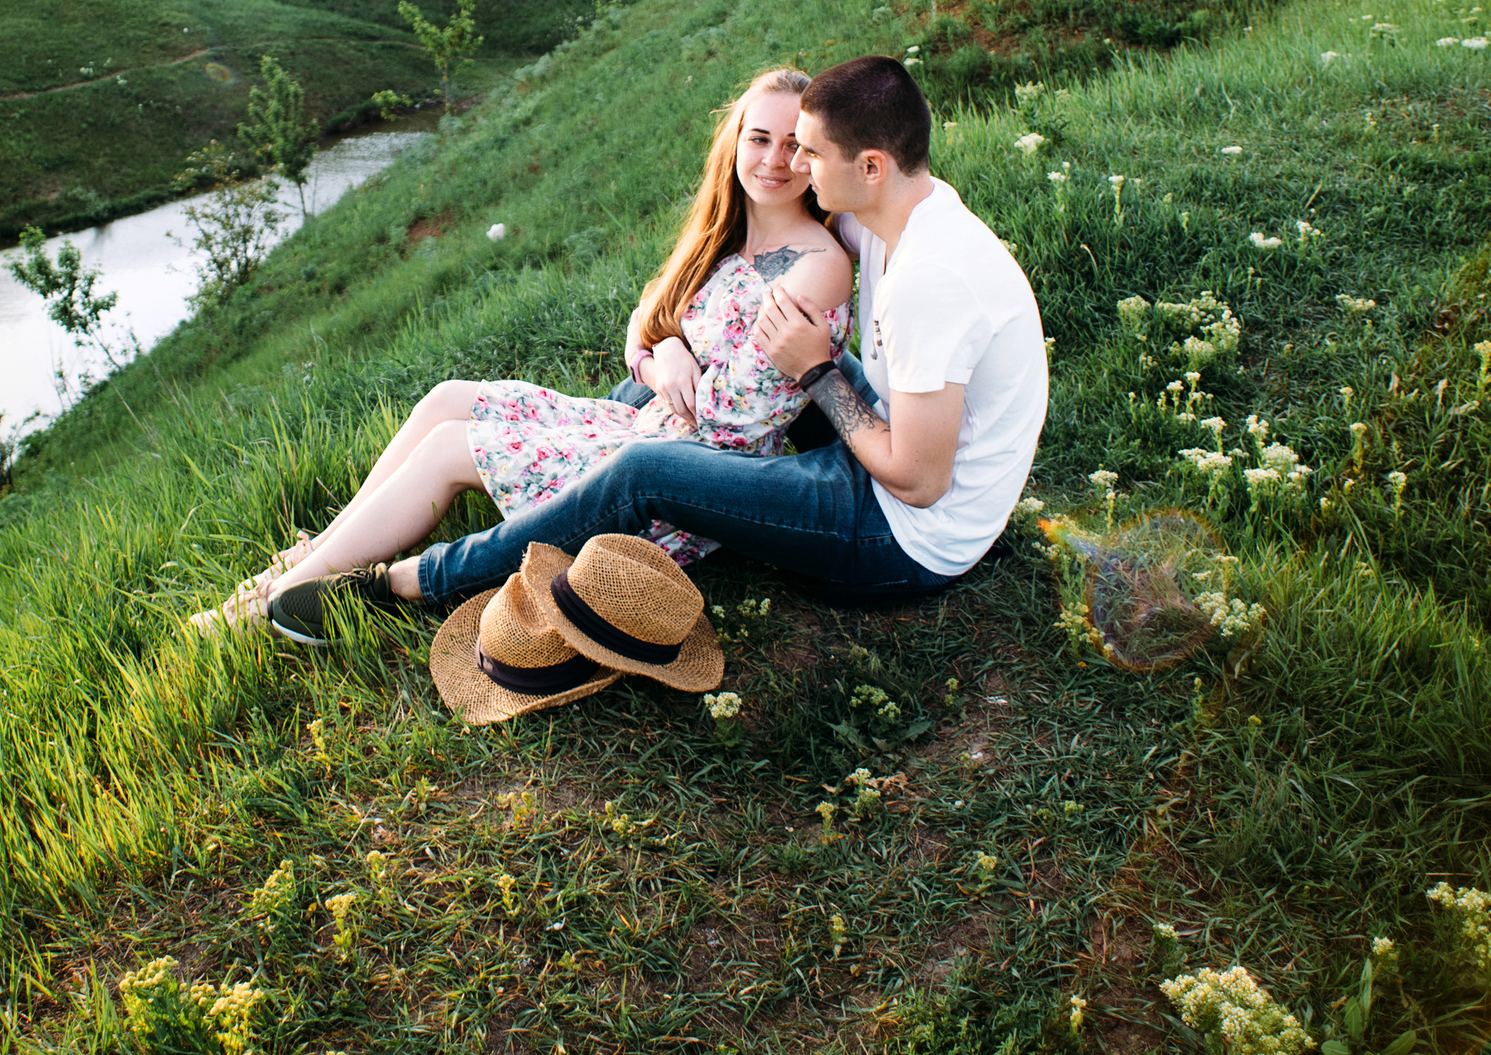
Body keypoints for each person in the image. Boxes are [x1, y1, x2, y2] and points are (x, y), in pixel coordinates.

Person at [277, 54, 1047, 626]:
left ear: (871, 166)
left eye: (810, 154)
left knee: (647, 461)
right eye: (780, 145)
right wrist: (662, 347)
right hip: (861, 447)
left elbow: (919, 479)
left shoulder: (927, 276)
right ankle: (330, 548)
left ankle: (407, 581)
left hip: (904, 535)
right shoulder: (890, 209)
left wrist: (817, 372)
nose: (795, 168)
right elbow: (711, 273)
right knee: (590, 406)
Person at [192, 68, 853, 640]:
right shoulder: (728, 234)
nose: (772, 159)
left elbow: (736, 418)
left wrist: (662, 358)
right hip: (644, 427)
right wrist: (665, 352)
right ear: (734, 143)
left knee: (453, 445)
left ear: (814, 157)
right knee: (449, 397)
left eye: (793, 145)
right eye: (758, 138)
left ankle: (269, 602)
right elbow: (653, 312)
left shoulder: (815, 266)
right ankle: (310, 556)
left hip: (688, 480)